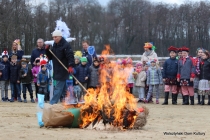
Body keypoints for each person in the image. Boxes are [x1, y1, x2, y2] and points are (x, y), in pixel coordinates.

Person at [45, 30, 75, 105]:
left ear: (60, 37)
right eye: (53, 37)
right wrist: (47, 50)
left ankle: (52, 103)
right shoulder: (55, 45)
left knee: (58, 88)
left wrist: (70, 65)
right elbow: (51, 57)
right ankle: (69, 101)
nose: (54, 38)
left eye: (56, 37)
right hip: (57, 69)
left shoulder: (66, 45)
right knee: (64, 88)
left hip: (63, 69)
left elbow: (70, 56)